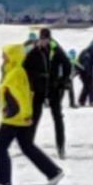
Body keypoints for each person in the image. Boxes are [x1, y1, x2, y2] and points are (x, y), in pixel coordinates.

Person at [0, 45, 64, 185]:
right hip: (16, 116)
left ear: (13, 55)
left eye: (5, 54)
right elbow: (10, 91)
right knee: (26, 146)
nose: (3, 57)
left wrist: (26, 114)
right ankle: (53, 172)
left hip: (14, 117)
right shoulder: (11, 71)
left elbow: (22, 96)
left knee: (0, 146)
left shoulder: (16, 73)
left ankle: (3, 180)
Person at [22, 28, 71, 159]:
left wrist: (63, 80)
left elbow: (67, 64)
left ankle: (61, 147)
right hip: (39, 89)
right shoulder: (34, 51)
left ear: (49, 39)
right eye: (42, 39)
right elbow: (25, 68)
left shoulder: (55, 49)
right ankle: (27, 146)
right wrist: (33, 80)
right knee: (34, 118)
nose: (43, 41)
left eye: (46, 39)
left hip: (53, 88)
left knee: (57, 118)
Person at [77, 38, 93, 107]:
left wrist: (79, 72)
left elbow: (78, 61)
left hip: (82, 72)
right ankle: (92, 101)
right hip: (89, 72)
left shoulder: (83, 51)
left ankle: (81, 101)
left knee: (86, 86)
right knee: (91, 86)